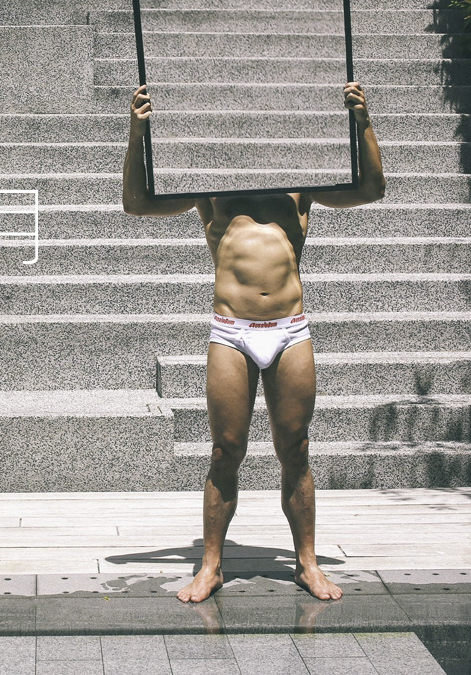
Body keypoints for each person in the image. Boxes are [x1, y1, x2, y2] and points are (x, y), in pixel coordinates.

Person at [122, 81, 386, 602]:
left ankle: (306, 563)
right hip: (232, 331)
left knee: (297, 448)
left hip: (289, 329)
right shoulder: (210, 185)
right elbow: (136, 203)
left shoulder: (301, 184)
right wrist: (138, 132)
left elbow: (371, 189)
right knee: (225, 450)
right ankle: (211, 565)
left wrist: (363, 124)